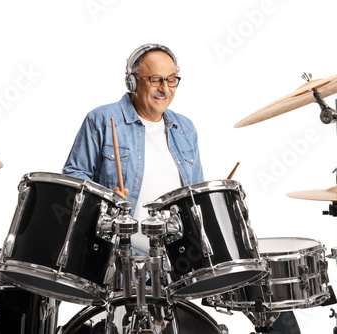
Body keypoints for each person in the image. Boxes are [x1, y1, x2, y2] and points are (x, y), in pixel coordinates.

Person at [62, 43, 300, 334]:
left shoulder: (184, 128)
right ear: (132, 81)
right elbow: (74, 184)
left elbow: (193, 195)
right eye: (156, 80)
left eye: (172, 79)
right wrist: (106, 200)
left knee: (268, 287)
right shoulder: (102, 120)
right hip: (124, 259)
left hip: (181, 256)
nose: (165, 88)